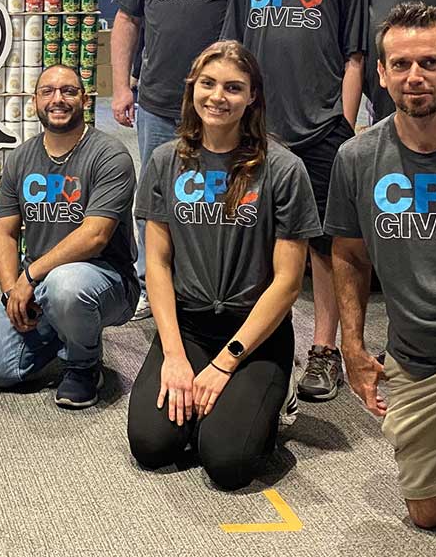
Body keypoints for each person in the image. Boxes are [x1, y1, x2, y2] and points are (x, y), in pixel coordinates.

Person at [126, 41, 318, 491]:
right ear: (193, 88)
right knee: (152, 447)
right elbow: (156, 263)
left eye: (234, 87)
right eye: (208, 84)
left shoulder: (283, 169)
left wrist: (226, 363)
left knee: (227, 464)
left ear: (252, 96)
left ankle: (271, 397)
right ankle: (215, 406)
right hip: (189, 328)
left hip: (254, 333)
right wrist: (174, 355)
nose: (218, 96)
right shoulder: (165, 161)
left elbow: (288, 283)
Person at [223, 0, 369, 402]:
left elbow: (355, 56)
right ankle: (256, 343)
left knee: (325, 250)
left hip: (323, 129)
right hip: (259, 132)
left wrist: (345, 127)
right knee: (254, 241)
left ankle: (325, 350)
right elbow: (233, 54)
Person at [328, 2, 436, 530]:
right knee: (429, 513)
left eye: (431, 63)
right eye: (402, 65)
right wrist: (353, 345)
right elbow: (348, 254)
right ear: (382, 74)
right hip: (419, 353)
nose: (416, 77)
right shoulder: (358, 157)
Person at [111, 0, 264, 318]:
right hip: (159, 101)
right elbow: (126, 18)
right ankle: (149, 286)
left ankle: (218, 287)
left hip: (224, 105)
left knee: (221, 196)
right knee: (160, 196)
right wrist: (122, 87)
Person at [0, 64, 140, 408]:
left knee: (66, 285)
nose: (58, 99)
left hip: (105, 279)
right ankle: (66, 325)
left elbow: (95, 235)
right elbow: (4, 231)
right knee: (0, 370)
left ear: (83, 98)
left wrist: (31, 276)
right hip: (38, 283)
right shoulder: (21, 158)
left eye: (68, 91)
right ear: (35, 101)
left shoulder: (110, 155)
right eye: (48, 91)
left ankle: (83, 366)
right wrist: (12, 292)